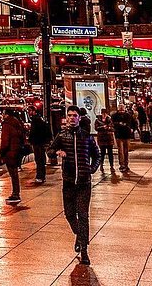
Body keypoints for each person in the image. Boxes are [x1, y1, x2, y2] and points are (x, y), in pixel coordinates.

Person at [48, 105, 100, 267]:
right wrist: (57, 152)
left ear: (79, 117)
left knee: (83, 215)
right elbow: (50, 150)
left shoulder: (86, 136)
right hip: (69, 182)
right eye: (69, 115)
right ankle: (80, 235)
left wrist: (91, 169)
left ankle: (84, 249)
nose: (72, 118)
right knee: (70, 214)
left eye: (74, 115)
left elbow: (97, 155)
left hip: (84, 183)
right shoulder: (62, 136)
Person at [0, 109, 26, 204]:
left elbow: (5, 141)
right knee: (15, 174)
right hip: (17, 151)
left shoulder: (7, 125)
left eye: (3, 114)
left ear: (6, 115)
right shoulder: (17, 123)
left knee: (13, 174)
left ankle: (15, 193)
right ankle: (16, 192)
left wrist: (2, 153)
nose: (2, 115)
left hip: (10, 152)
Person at [28, 104, 52, 184]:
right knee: (40, 159)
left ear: (34, 111)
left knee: (39, 160)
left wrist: (31, 140)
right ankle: (41, 176)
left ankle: (40, 176)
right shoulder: (40, 119)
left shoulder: (36, 120)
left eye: (30, 111)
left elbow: (34, 132)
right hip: (40, 142)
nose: (29, 112)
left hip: (38, 143)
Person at [110, 104, 135, 173]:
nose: (121, 110)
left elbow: (133, 123)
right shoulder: (115, 116)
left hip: (126, 135)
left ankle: (125, 164)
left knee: (126, 150)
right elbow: (112, 123)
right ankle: (122, 164)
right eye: (120, 108)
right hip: (119, 135)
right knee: (121, 151)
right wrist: (118, 124)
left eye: (122, 108)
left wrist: (132, 128)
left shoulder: (128, 115)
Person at [94, 109, 115, 175]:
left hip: (109, 138)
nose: (104, 115)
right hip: (101, 138)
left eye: (105, 113)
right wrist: (103, 127)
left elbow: (113, 128)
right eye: (103, 113)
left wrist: (108, 128)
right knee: (102, 152)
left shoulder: (110, 119)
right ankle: (101, 165)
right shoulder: (98, 120)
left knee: (110, 153)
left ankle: (111, 166)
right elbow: (96, 128)